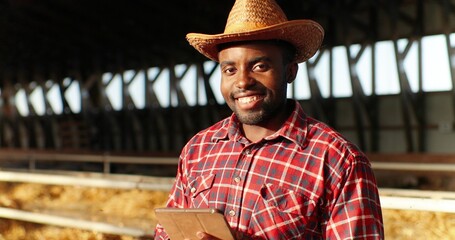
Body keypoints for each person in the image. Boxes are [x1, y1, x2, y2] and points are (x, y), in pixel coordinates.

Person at [154, 0, 384, 239]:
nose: (243, 82)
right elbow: (166, 232)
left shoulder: (337, 161)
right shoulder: (198, 149)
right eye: (230, 70)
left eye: (260, 66)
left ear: (290, 72)